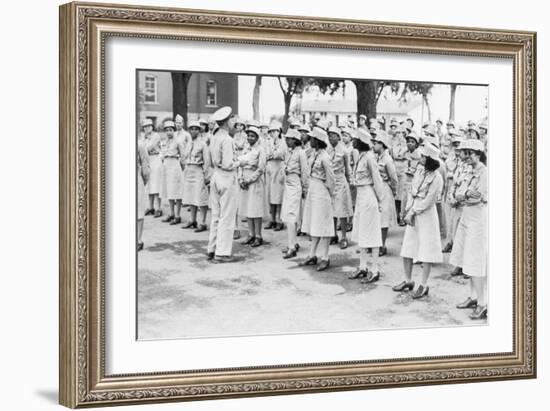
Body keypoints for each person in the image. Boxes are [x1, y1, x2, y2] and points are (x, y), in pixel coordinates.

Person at [393, 143, 444, 299]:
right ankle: (408, 280)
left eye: (423, 156)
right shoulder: (419, 171)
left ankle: (423, 284)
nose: (420, 158)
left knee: (426, 252)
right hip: (413, 214)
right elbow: (411, 190)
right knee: (408, 248)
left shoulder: (437, 178)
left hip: (426, 216)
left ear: (429, 159)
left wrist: (413, 211)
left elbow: (429, 200)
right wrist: (408, 209)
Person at [450, 139, 488, 320]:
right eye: (465, 152)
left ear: (478, 154)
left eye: (470, 153)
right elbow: (459, 192)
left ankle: (482, 303)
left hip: (478, 219)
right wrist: (464, 195)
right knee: (467, 258)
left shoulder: (485, 172)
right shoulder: (468, 170)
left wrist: (464, 195)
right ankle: (473, 297)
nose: (466, 156)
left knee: (476, 260)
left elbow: (478, 196)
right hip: (467, 216)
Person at [348, 128, 384, 282]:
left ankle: (374, 269)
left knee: (372, 234)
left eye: (355, 139)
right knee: (362, 233)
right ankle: (363, 267)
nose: (353, 141)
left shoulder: (369, 158)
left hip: (369, 196)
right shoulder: (360, 156)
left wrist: (379, 200)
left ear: (361, 141)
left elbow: (377, 180)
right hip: (361, 197)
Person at [299, 127, 335, 271]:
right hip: (313, 191)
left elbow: (331, 179)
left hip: (322, 192)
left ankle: (325, 257)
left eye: (313, 139)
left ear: (318, 141)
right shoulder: (314, 154)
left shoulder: (325, 157)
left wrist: (328, 194)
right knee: (314, 223)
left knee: (324, 225)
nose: (310, 140)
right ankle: (312, 254)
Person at [207, 106, 239, 262]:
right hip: (226, 177)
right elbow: (228, 163)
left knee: (216, 216)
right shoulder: (227, 139)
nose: (234, 122)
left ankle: (212, 249)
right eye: (232, 119)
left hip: (216, 176)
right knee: (226, 216)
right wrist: (240, 161)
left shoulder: (214, 137)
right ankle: (222, 253)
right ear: (227, 122)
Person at [280, 129, 309, 259]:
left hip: (295, 184)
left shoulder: (301, 153)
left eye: (290, 138)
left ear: (296, 140)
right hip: (288, 183)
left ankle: (292, 247)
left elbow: (304, 173)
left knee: (291, 216)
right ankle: (294, 242)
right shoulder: (288, 152)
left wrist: (304, 189)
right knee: (289, 215)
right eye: (286, 138)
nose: (287, 141)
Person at [237, 125, 266, 247]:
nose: (250, 138)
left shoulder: (260, 150)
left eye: (252, 136)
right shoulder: (245, 149)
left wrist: (249, 180)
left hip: (255, 182)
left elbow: (261, 168)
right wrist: (240, 179)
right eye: (248, 135)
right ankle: (250, 234)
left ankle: (258, 236)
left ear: (257, 137)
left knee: (255, 209)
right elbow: (239, 164)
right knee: (247, 208)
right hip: (245, 181)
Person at [181, 120, 211, 232]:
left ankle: (202, 222)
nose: (193, 131)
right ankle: (192, 220)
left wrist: (206, 175)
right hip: (189, 170)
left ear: (199, 131)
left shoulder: (203, 144)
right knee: (190, 196)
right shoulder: (188, 143)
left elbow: (207, 161)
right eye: (192, 129)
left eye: (196, 129)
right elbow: (184, 157)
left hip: (198, 170)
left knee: (201, 197)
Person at [372, 130, 398, 256]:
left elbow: (393, 178)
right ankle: (376, 244)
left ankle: (382, 245)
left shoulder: (387, 159)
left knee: (383, 218)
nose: (374, 145)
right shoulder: (377, 158)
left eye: (376, 143)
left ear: (382, 144)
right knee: (376, 217)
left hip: (385, 188)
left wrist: (393, 191)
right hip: (377, 187)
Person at [327, 126, 353, 249]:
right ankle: (333, 234)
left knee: (342, 211)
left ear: (338, 137)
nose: (331, 137)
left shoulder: (344, 150)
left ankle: (343, 236)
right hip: (330, 182)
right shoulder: (327, 149)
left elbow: (348, 168)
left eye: (333, 135)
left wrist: (350, 181)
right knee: (332, 210)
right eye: (329, 135)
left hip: (341, 181)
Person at [442, 131, 465, 252]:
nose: (456, 147)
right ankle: (449, 241)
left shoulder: (464, 160)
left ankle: (456, 245)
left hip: (459, 194)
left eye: (459, 144)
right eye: (454, 144)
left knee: (457, 221)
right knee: (448, 219)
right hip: (449, 190)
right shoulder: (450, 158)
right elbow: (447, 172)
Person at [159, 120, 185, 225]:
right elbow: (161, 153)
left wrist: (182, 168)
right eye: (167, 130)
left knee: (176, 191)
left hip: (175, 165)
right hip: (166, 165)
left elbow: (183, 156)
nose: (169, 132)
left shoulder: (178, 141)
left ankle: (178, 215)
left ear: (174, 130)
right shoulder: (165, 141)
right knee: (169, 190)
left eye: (170, 130)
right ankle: (171, 213)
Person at [264, 121, 287, 231]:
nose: (273, 133)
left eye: (275, 131)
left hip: (279, 168)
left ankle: (279, 220)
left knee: (278, 195)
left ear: (279, 131)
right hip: (270, 168)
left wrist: (272, 154)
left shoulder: (283, 142)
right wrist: (271, 154)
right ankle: (271, 219)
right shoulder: (267, 142)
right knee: (269, 194)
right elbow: (266, 154)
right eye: (271, 131)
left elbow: (279, 153)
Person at [141, 118, 163, 217]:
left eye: (149, 126)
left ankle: (159, 208)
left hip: (155, 159)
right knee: (149, 185)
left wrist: (143, 148)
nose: (146, 128)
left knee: (157, 184)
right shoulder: (144, 137)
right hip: (148, 160)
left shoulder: (156, 136)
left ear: (152, 127)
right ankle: (151, 207)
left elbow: (148, 148)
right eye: (145, 127)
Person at [400, 130, 422, 225]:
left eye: (412, 142)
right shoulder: (406, 153)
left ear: (417, 144)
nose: (409, 144)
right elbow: (400, 156)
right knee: (404, 199)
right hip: (406, 179)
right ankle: (403, 217)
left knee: (413, 201)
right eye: (408, 141)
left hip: (415, 180)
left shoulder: (419, 154)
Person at [390, 126, 408, 224]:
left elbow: (406, 156)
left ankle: (402, 216)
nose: (399, 135)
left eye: (401, 132)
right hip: (395, 166)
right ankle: (397, 215)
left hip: (404, 167)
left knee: (403, 194)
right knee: (396, 194)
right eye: (397, 133)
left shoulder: (407, 145)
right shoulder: (394, 145)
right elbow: (394, 156)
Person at [137, 138, 150, 251]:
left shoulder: (140, 144)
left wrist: (144, 179)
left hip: (136, 178)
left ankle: (138, 240)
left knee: (139, 210)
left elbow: (145, 165)